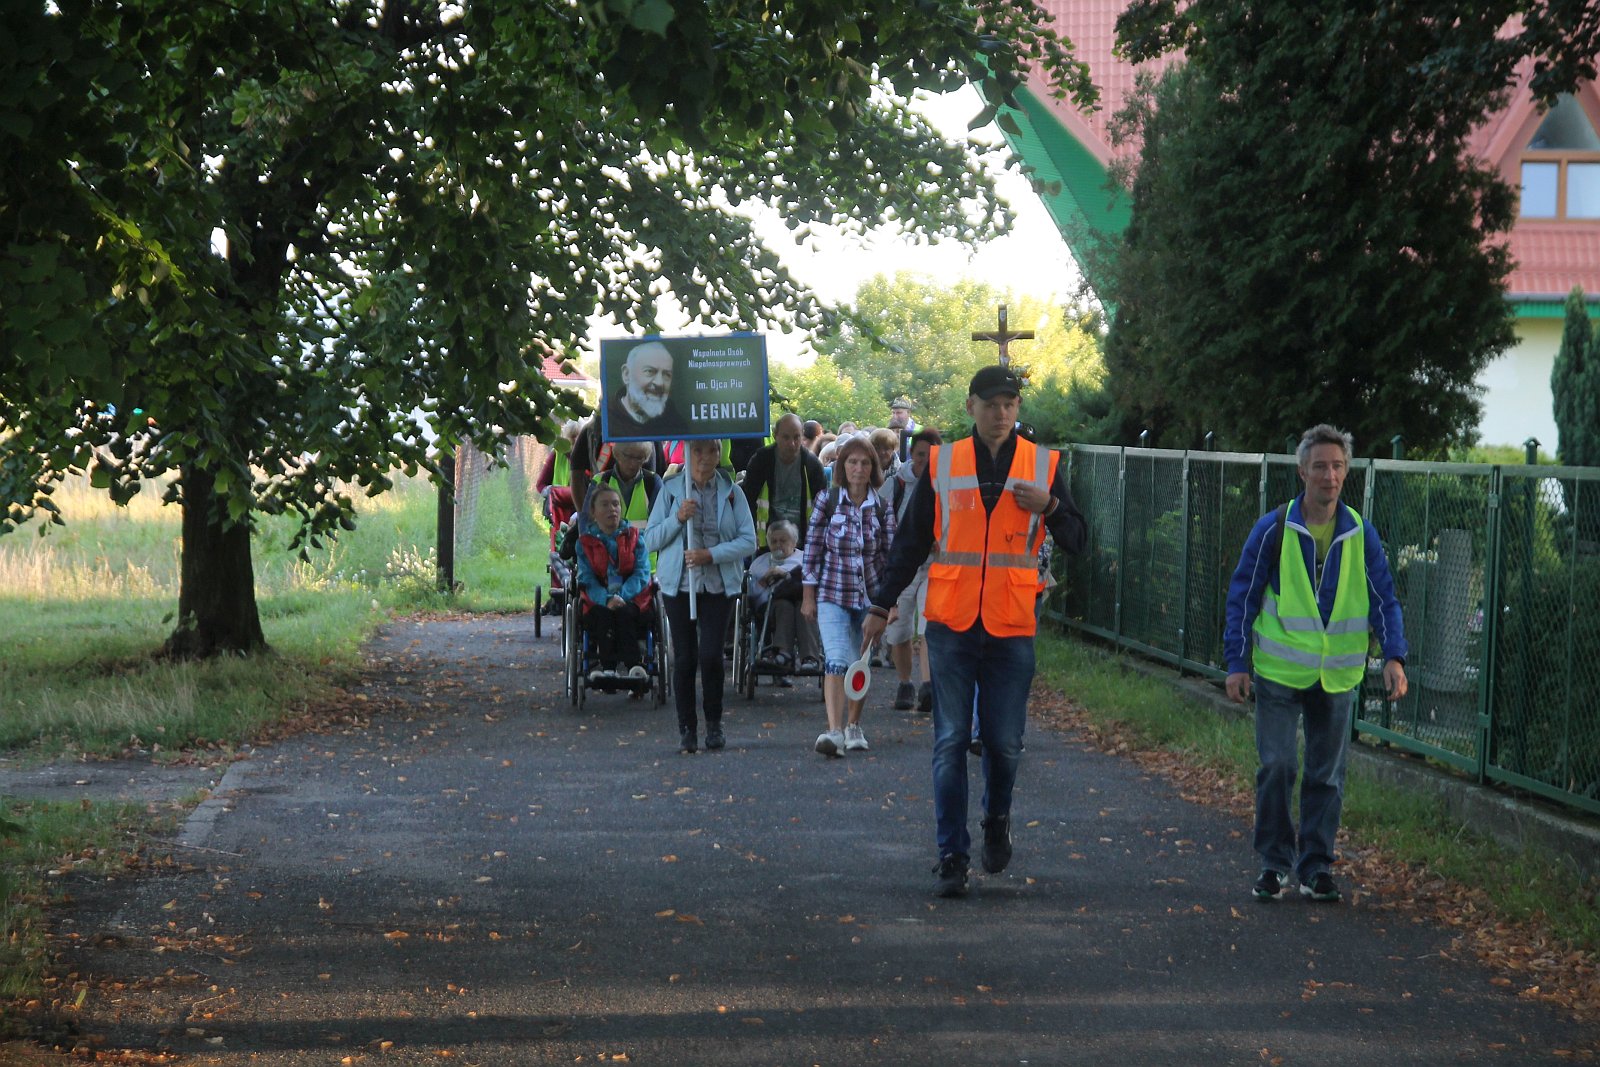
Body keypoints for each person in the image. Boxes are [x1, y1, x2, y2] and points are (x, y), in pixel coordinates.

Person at [861, 365, 1087, 898]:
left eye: (1009, 404)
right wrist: (882, 604)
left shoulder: (1043, 465)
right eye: (991, 404)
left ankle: (996, 818)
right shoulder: (944, 464)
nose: (1001, 413)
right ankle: (951, 855)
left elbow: (1078, 540)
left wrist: (1050, 506)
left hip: (1011, 624)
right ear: (970, 407)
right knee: (950, 741)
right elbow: (911, 542)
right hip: (952, 624)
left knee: (1005, 745)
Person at [1224, 423, 1409, 904]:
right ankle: (1274, 863)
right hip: (1280, 671)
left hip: (1339, 676)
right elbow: (1243, 596)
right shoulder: (1274, 529)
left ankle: (1316, 867)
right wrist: (1237, 663)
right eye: (1321, 466)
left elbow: (1383, 598)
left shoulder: (1359, 533)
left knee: (1326, 776)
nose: (1330, 476)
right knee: (1278, 766)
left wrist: (1393, 656)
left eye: (1339, 466)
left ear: (1347, 473)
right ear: (1302, 470)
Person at [644, 438, 757, 754]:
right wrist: (677, 519)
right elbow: (650, 541)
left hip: (717, 585)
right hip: (679, 585)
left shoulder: (733, 492)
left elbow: (748, 540)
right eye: (698, 450)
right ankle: (687, 729)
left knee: (710, 656)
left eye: (712, 450)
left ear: (720, 453)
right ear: (687, 453)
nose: (705, 457)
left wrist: (712, 554)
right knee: (684, 658)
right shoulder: (670, 490)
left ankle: (714, 724)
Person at [803, 433, 895, 757]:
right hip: (832, 593)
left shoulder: (882, 507)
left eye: (865, 462)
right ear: (842, 466)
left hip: (869, 598)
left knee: (860, 663)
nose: (858, 468)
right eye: (852, 462)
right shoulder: (826, 501)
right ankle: (834, 731)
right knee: (837, 660)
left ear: (873, 467)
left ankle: (854, 725)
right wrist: (808, 595)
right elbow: (812, 551)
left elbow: (891, 557)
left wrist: (890, 603)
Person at [884, 428, 941, 711]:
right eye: (920, 456)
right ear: (911, 456)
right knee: (898, 628)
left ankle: (928, 686)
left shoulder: (947, 485)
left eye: (931, 458)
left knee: (929, 624)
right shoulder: (897, 485)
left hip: (935, 566)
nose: (925, 463)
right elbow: (878, 522)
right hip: (904, 565)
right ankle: (905, 683)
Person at [574, 484, 653, 684]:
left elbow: (642, 573)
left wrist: (622, 596)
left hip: (632, 597)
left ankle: (634, 666)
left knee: (625, 613)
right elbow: (586, 578)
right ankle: (607, 669)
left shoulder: (635, 537)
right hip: (598, 599)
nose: (612, 509)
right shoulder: (584, 543)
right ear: (593, 512)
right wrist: (606, 598)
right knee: (603, 615)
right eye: (605, 505)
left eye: (616, 504)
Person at [744, 519, 820, 674]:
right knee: (784, 605)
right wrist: (765, 581)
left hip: (803, 602)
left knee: (803, 607)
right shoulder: (759, 563)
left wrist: (786, 575)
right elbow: (752, 597)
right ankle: (783, 652)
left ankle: (809, 657)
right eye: (773, 541)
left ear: (794, 542)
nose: (778, 545)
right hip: (769, 609)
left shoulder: (806, 559)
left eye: (783, 540)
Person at [742, 413, 828, 549]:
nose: (792, 444)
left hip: (803, 542)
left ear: (802, 435)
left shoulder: (812, 465)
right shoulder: (761, 460)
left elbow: (822, 505)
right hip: (767, 541)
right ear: (776, 435)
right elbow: (747, 499)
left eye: (796, 437)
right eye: (786, 437)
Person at [608, 340, 679, 437]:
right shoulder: (605, 424)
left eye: (667, 375)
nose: (659, 383)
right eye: (650, 371)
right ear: (627, 374)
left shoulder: (675, 424)